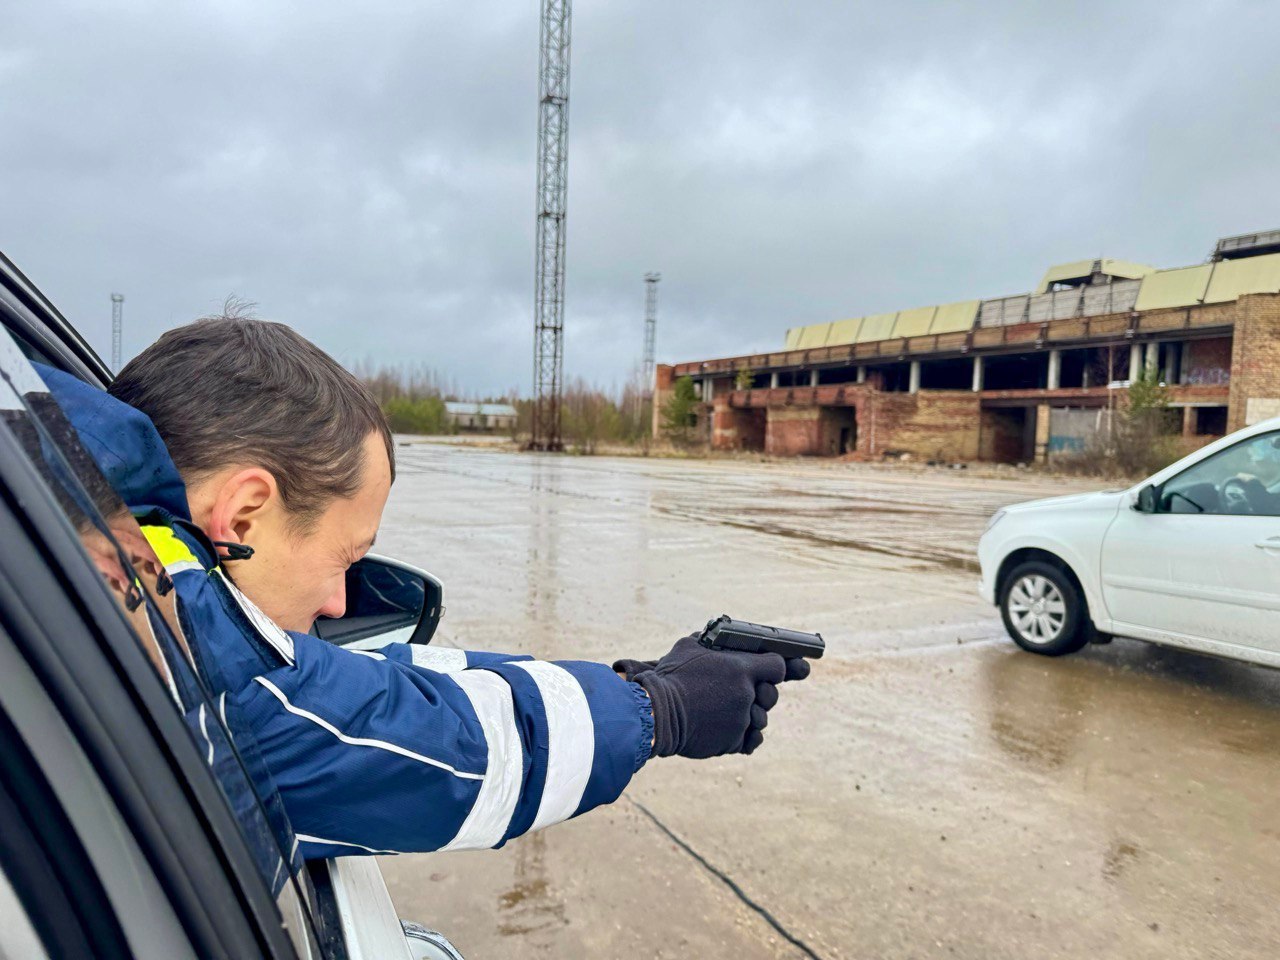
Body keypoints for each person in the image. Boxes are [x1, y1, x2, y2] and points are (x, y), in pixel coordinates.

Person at [40, 315, 810, 858]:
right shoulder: (156, 634)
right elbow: (445, 750)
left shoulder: (73, 536)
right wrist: (659, 712)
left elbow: (365, 680)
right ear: (243, 515)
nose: (341, 604)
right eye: (345, 558)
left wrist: (629, 681)